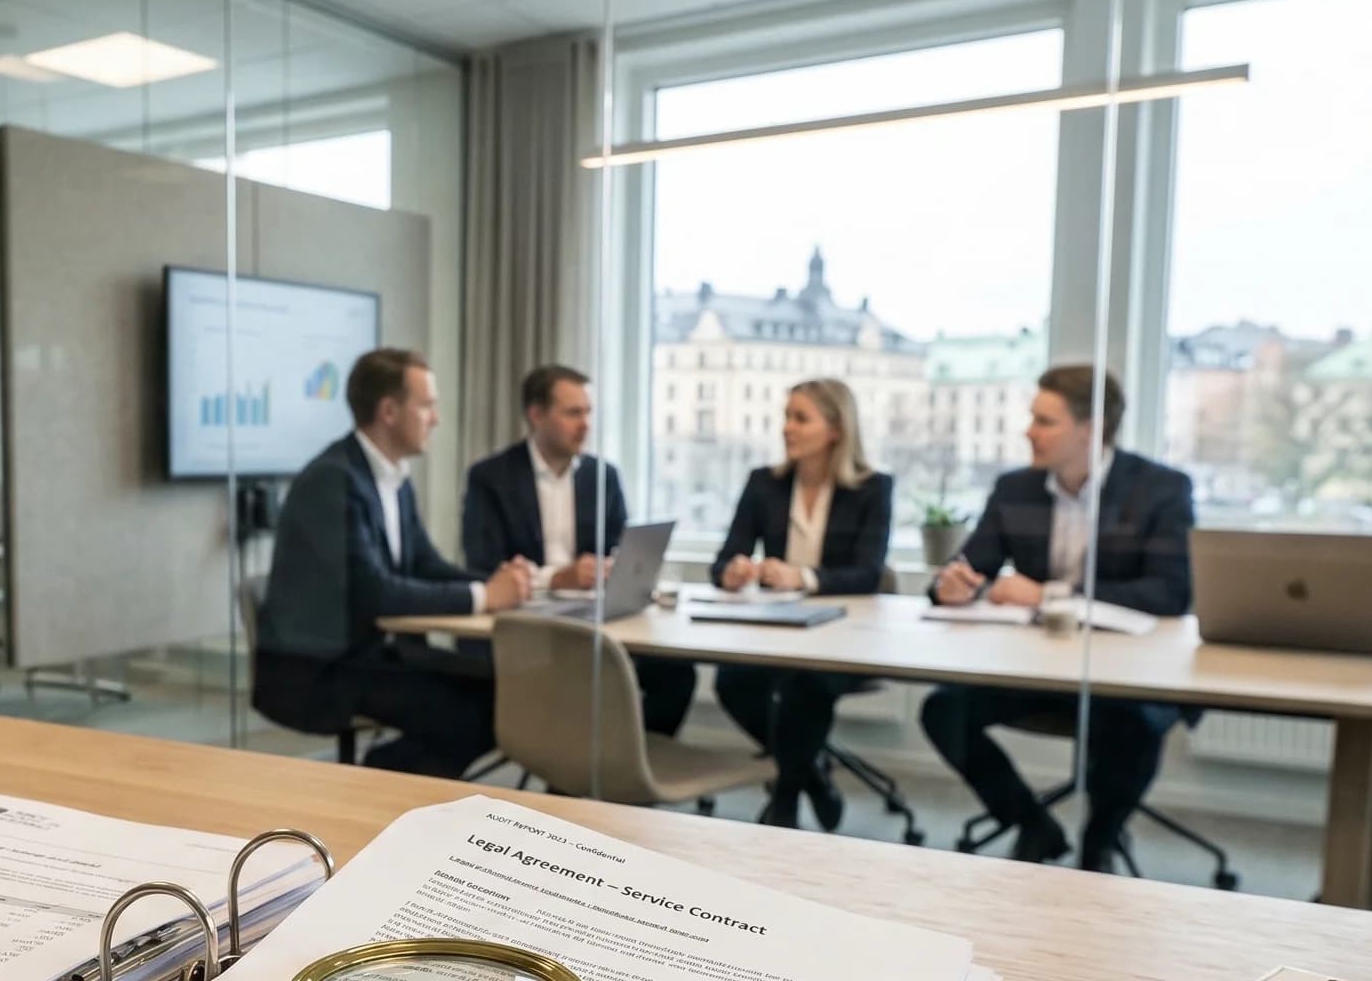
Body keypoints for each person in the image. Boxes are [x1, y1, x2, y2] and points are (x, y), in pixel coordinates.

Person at [920, 364, 1196, 871]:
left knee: (1133, 724)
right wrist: (950, 586)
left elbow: (1171, 593)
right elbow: (968, 567)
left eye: (1045, 421)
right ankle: (1031, 823)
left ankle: (1099, 846)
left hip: (1125, 673)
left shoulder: (1158, 489)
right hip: (1035, 667)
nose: (1029, 431)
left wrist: (1051, 593)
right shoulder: (1015, 489)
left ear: (1089, 429)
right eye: (1032, 419)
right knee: (943, 710)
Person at [254, 348, 534, 777]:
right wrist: (485, 596)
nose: (436, 418)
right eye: (427, 405)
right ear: (388, 410)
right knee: (469, 713)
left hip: (374, 653)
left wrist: (500, 584)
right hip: (321, 669)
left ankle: (386, 783)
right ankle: (376, 789)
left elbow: (425, 565)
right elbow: (376, 593)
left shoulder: (392, 477)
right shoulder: (333, 480)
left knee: (504, 690)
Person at [459, 363, 694, 735]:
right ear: (536, 415)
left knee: (676, 675)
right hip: (524, 625)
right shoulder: (491, 478)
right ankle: (570, 777)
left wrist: (614, 569)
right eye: (573, 413)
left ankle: (627, 774)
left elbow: (622, 551)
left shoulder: (603, 476)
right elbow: (483, 567)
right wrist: (557, 577)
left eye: (588, 412)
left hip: (592, 621)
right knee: (581, 678)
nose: (585, 424)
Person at [707, 379, 895, 830]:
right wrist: (731, 573)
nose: (787, 428)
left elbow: (869, 573)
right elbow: (722, 560)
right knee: (731, 683)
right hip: (775, 631)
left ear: (835, 429)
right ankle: (812, 775)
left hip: (844, 639)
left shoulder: (873, 489)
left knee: (803, 688)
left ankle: (784, 803)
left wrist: (803, 577)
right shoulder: (764, 484)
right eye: (786, 416)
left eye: (800, 418)